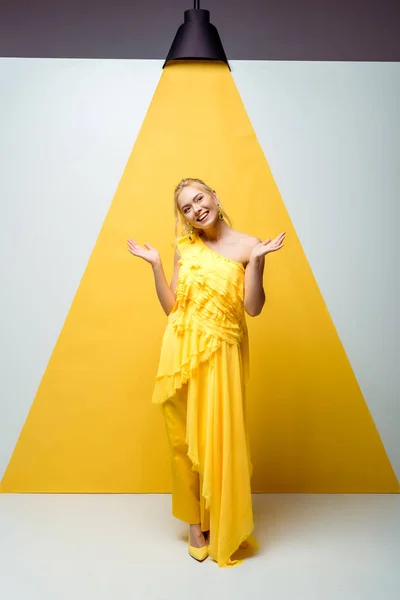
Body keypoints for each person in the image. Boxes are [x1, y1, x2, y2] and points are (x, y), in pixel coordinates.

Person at [127, 178, 285, 567]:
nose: (196, 208)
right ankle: (196, 525)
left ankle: (221, 518)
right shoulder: (185, 248)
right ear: (185, 218)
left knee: (219, 438)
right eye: (186, 207)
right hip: (180, 352)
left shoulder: (249, 246)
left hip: (222, 353)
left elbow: (253, 308)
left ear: (214, 196)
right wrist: (157, 266)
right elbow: (172, 307)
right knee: (181, 440)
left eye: (199, 198)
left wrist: (259, 261)